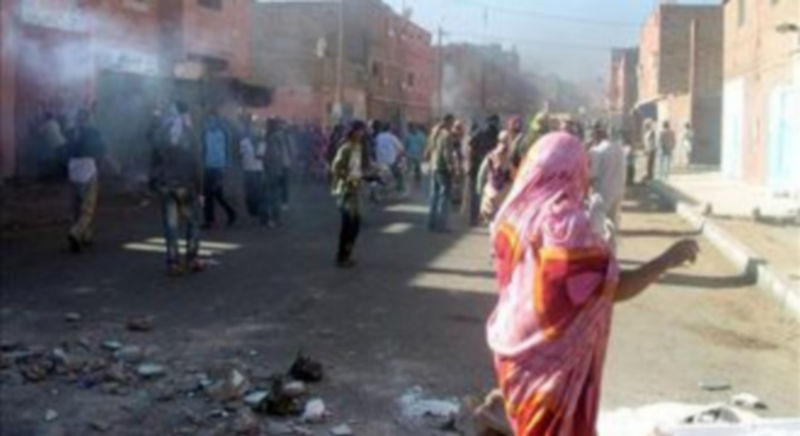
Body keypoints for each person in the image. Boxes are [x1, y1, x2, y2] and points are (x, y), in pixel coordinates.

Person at [487, 131, 700, 435]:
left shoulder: (513, 215)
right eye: (584, 167)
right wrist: (666, 261)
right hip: (552, 369)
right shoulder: (564, 225)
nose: (586, 176)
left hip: (513, 354)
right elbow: (613, 288)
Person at [149, 101, 205, 275]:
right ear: (185, 114)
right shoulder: (190, 135)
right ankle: (192, 258)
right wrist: (201, 189)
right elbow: (197, 164)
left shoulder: (161, 135)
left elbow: (154, 161)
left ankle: (173, 262)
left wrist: (153, 183)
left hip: (166, 186)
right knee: (194, 221)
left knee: (171, 226)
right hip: (186, 186)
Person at [64, 109, 112, 253]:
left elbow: (64, 149)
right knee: (88, 206)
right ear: (88, 119)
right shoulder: (93, 132)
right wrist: (112, 164)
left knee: (76, 204)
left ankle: (85, 235)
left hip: (73, 168)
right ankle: (76, 232)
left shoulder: (71, 132)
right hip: (88, 167)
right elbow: (103, 151)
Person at [331, 120, 369, 268]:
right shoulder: (346, 148)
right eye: (359, 130)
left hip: (355, 190)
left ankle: (347, 254)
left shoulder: (358, 148)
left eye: (362, 130)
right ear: (352, 131)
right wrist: (347, 178)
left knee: (355, 224)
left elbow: (357, 169)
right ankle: (342, 256)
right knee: (348, 225)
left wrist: (368, 175)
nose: (361, 133)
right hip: (346, 191)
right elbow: (336, 167)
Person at [588, 122, 627, 250]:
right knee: (613, 226)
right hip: (618, 191)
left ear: (596, 135)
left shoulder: (597, 151)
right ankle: (612, 254)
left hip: (602, 194)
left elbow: (592, 175)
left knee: (598, 229)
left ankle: (600, 256)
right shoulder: (620, 149)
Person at [202, 110, 237, 228]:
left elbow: (229, 151)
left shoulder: (224, 133)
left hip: (219, 168)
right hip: (208, 167)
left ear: (217, 120)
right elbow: (204, 149)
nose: (211, 122)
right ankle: (221, 216)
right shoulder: (205, 133)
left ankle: (213, 219)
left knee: (213, 194)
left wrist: (226, 168)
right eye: (209, 120)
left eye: (213, 120)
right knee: (212, 194)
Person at [465, 115, 501, 226]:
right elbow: (470, 146)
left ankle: (476, 217)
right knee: (484, 193)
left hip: (481, 166)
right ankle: (480, 217)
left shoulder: (484, 133)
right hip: (483, 167)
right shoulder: (492, 134)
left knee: (478, 193)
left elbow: (470, 145)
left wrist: (469, 162)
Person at [477, 129, 514, 223]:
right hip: (504, 190)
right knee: (501, 219)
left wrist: (479, 187)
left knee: (492, 217)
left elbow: (482, 171)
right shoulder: (509, 156)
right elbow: (512, 174)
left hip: (491, 189)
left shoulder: (491, 154)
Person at [428, 114, 457, 232]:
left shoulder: (435, 132)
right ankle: (441, 226)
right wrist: (451, 168)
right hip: (443, 168)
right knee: (444, 197)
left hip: (434, 167)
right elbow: (447, 153)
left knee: (434, 196)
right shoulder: (447, 135)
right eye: (453, 122)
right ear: (449, 121)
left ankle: (431, 223)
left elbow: (430, 149)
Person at [239, 122, 267, 224]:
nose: (256, 132)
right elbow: (240, 155)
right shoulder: (244, 142)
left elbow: (265, 157)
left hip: (259, 170)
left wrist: (261, 157)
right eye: (254, 129)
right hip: (248, 170)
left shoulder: (263, 143)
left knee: (258, 192)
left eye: (258, 130)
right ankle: (251, 211)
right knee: (249, 193)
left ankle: (258, 211)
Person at [262, 118, 286, 227]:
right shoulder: (276, 138)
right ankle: (274, 219)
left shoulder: (270, 139)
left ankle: (269, 219)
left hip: (270, 170)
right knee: (274, 196)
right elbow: (278, 155)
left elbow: (271, 155)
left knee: (269, 196)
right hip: (274, 170)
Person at [374, 122, 405, 194]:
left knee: (378, 175)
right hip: (391, 161)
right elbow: (401, 148)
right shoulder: (392, 137)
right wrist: (399, 155)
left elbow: (374, 147)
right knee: (399, 174)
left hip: (380, 161)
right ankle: (400, 190)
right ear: (390, 129)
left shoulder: (378, 136)